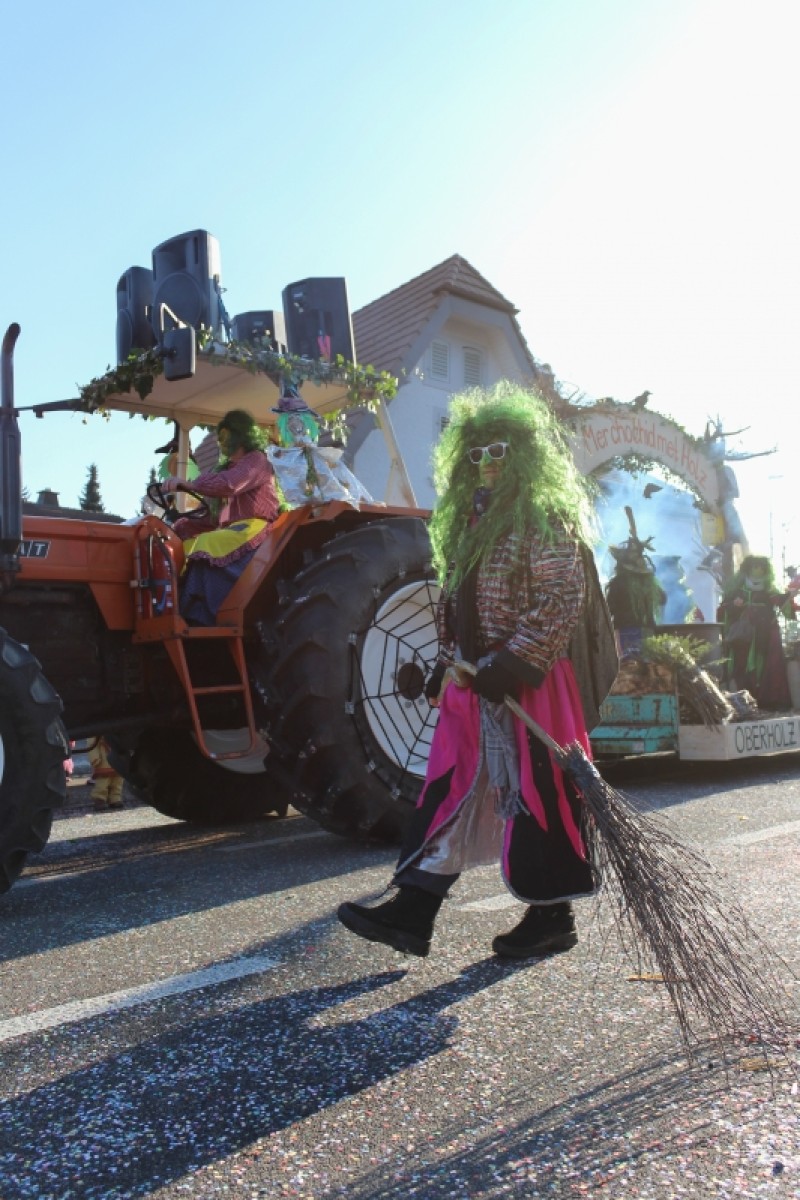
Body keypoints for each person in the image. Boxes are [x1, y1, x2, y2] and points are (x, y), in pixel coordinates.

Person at [337, 381, 598, 960]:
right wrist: (445, 665)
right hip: (472, 685)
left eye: (498, 452)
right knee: (452, 784)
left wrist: (512, 663)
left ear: (523, 456)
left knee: (536, 792)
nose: (486, 464)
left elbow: (561, 596)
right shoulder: (468, 525)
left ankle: (552, 915)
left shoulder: (542, 518)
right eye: (476, 454)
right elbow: (457, 609)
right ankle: (414, 909)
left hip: (528, 684)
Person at [163, 409, 280, 624]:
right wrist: (182, 525)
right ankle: (176, 606)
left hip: (253, 527)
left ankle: (204, 614)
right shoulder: (224, 467)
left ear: (241, 434)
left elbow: (231, 484)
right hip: (229, 529)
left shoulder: (256, 460)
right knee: (181, 541)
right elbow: (214, 515)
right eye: (220, 436)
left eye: (225, 435)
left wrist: (189, 484)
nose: (221, 441)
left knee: (206, 544)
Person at [717, 554, 794, 710]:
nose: (757, 575)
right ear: (746, 572)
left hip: (766, 636)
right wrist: (735, 605)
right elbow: (722, 611)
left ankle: (768, 700)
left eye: (761, 571)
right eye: (754, 570)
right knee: (742, 667)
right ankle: (745, 701)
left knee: (769, 666)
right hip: (743, 639)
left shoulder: (770, 591)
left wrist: (789, 596)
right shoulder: (736, 591)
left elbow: (784, 605)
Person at [88, 737, 124, 811]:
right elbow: (91, 745)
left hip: (118, 759)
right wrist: (95, 758)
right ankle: (99, 798)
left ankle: (115, 798)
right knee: (103, 782)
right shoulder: (96, 735)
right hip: (103, 760)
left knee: (117, 782)